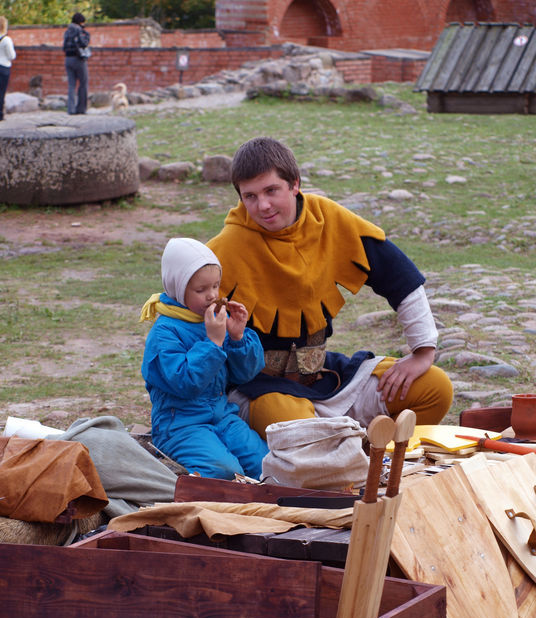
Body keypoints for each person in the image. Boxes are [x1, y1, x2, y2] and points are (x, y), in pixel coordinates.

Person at [207, 136, 453, 439]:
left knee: (435, 388)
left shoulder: (328, 220)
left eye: (271, 190)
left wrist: (423, 351)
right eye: (250, 196)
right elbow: (179, 316)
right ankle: (338, 457)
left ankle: (375, 460)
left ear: (294, 184)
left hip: (326, 378)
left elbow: (398, 275)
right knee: (295, 426)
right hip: (261, 390)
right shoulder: (223, 249)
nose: (263, 205)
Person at [140, 237, 269, 480]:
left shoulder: (213, 322)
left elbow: (245, 374)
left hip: (222, 416)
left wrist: (238, 336)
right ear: (177, 288)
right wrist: (213, 342)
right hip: (181, 427)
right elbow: (185, 383)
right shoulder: (164, 333)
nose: (212, 296)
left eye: (215, 286)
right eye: (201, 290)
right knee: (226, 473)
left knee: (265, 462)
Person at [63, 12, 90, 115]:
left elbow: (64, 46)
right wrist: (86, 34)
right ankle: (81, 109)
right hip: (78, 59)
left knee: (71, 85)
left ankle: (71, 109)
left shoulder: (67, 31)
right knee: (83, 83)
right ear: (80, 22)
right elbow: (84, 43)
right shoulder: (79, 30)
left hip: (68, 59)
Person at [0, 16, 16, 121]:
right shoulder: (6, 40)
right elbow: (12, 56)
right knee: (1, 91)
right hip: (3, 67)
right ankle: (0, 113)